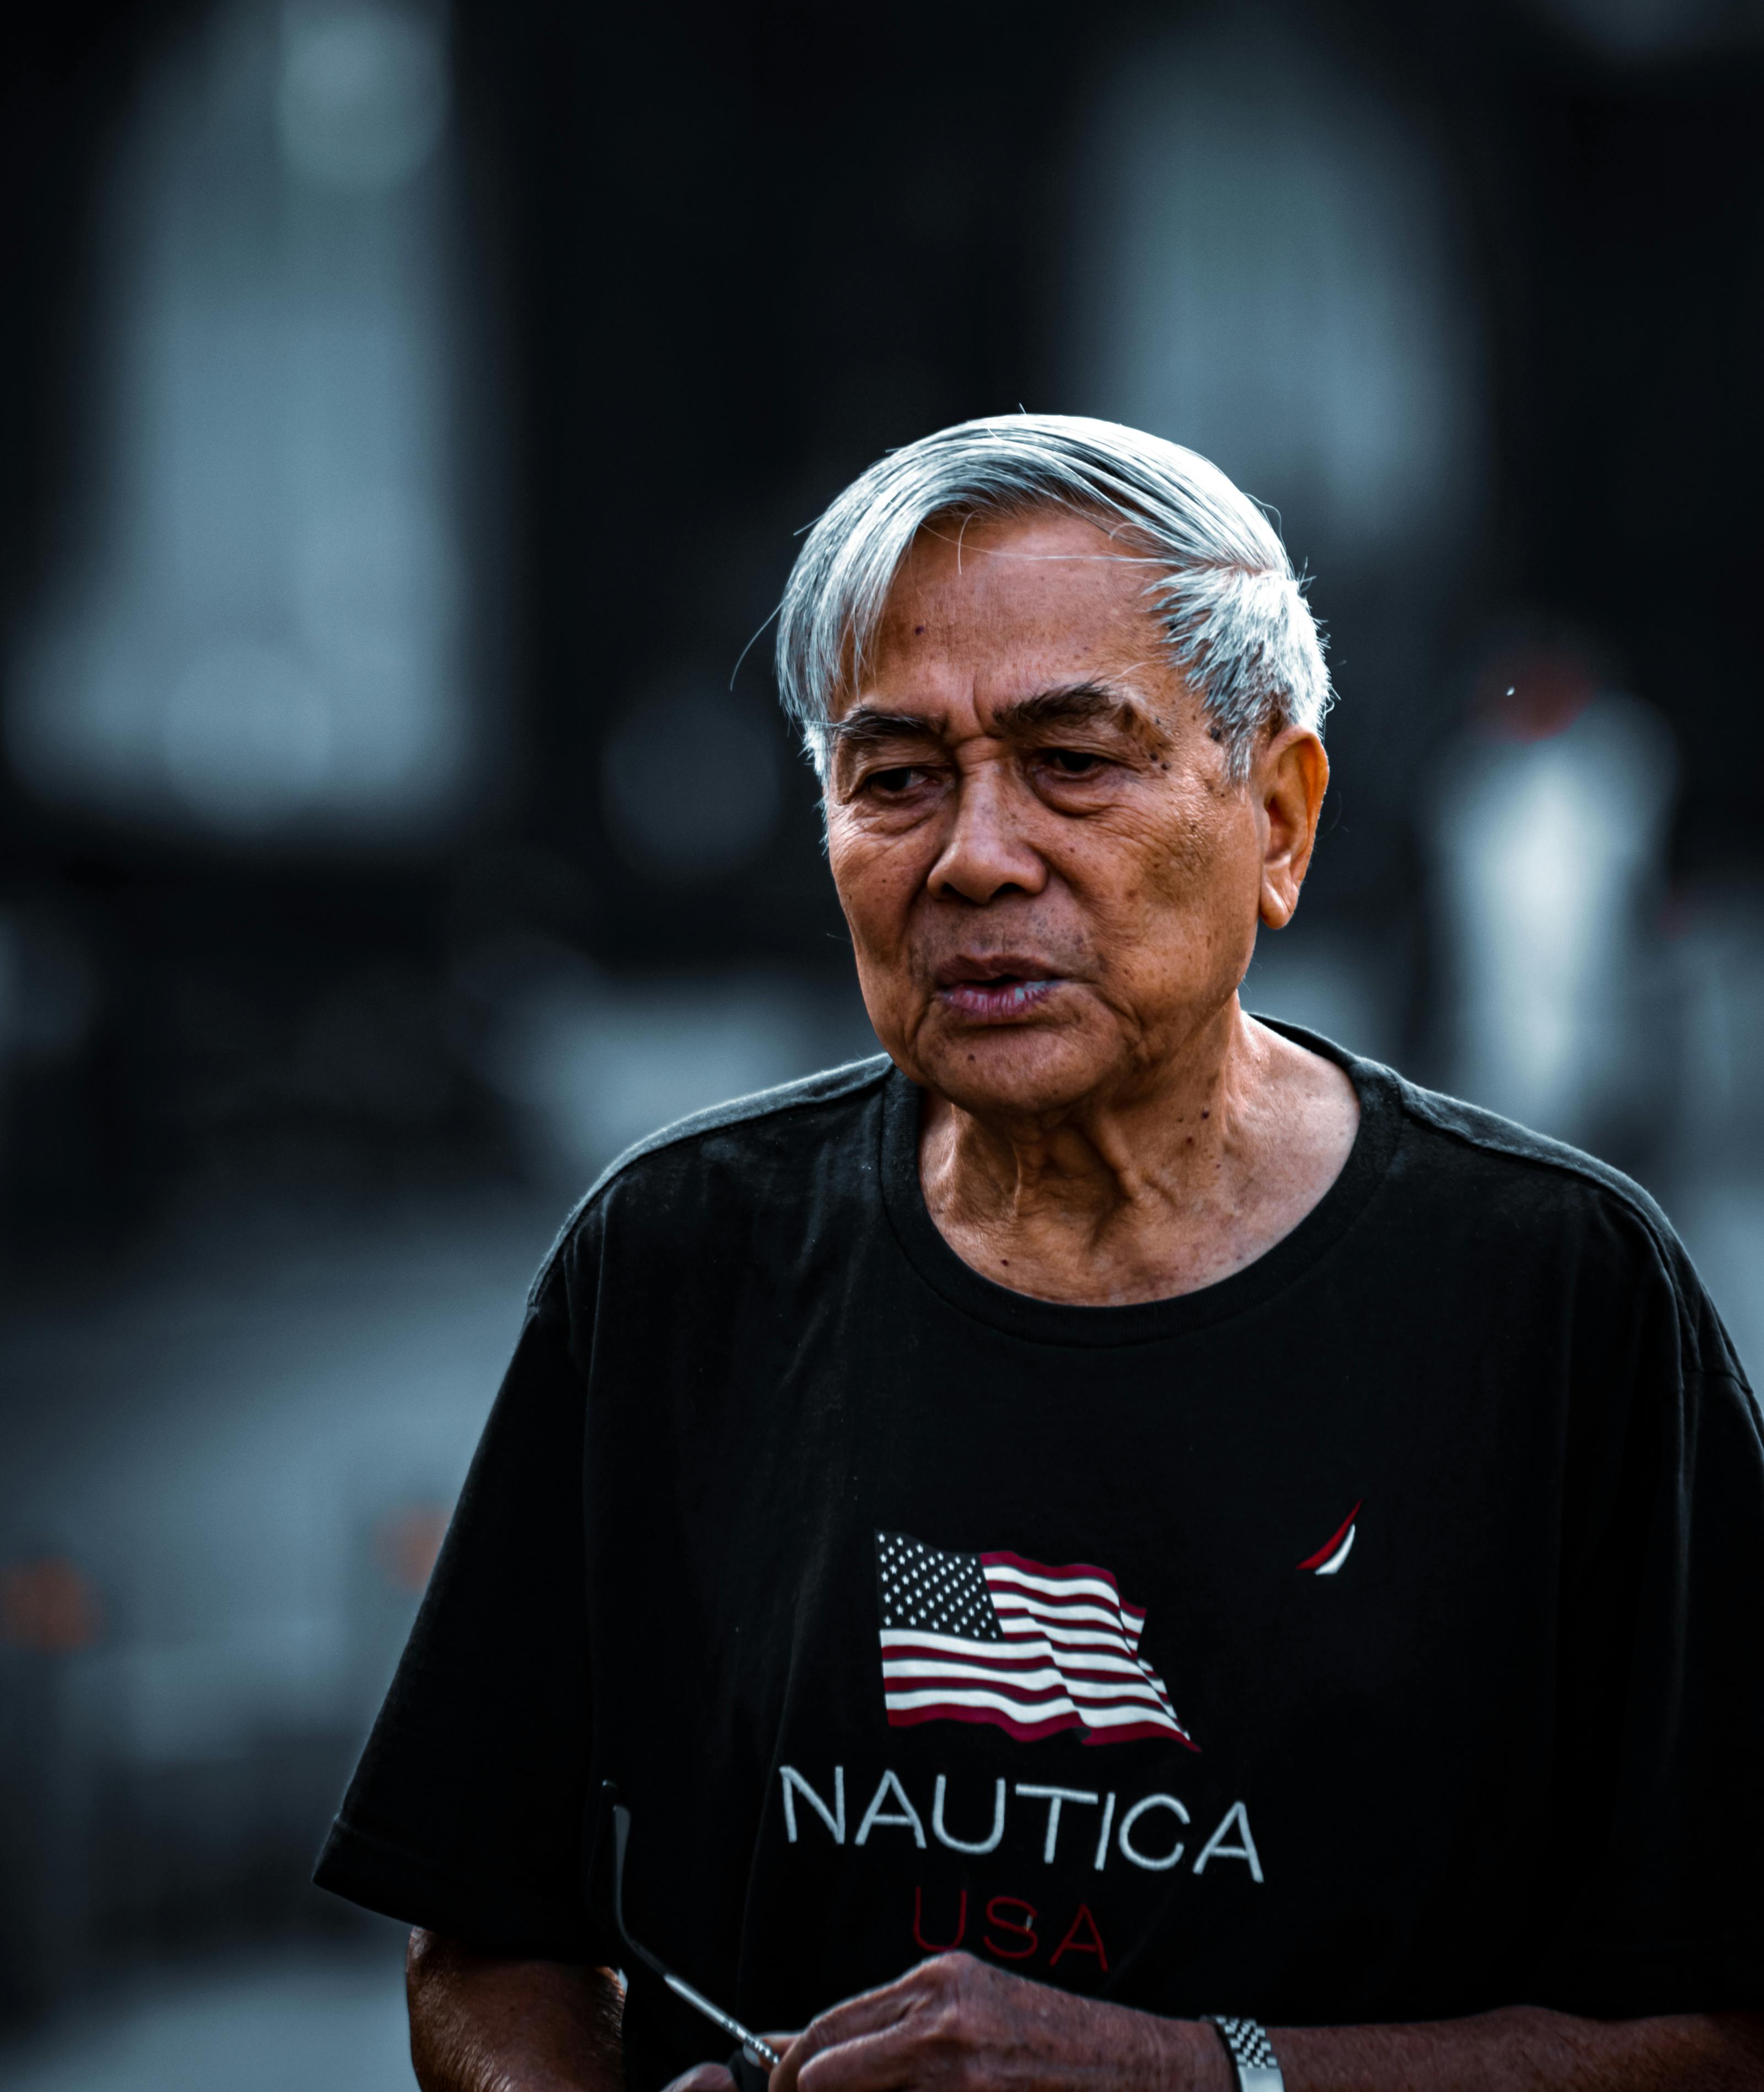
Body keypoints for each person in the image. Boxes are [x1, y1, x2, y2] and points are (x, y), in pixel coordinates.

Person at [315, 416, 1764, 2091]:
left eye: (1076, 762)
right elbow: (488, 1934)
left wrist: (1197, 2075)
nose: (977, 856)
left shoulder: (1559, 1300)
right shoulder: (676, 1264)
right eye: (896, 780)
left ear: (1279, 817)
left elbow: (1717, 2032)